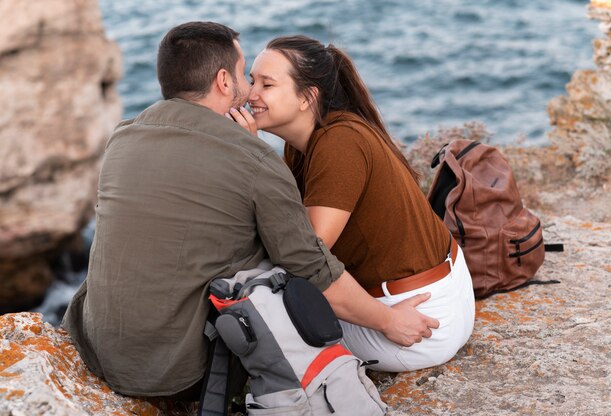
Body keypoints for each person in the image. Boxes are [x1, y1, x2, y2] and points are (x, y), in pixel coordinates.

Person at [61, 22, 437, 401]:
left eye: (264, 82)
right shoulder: (253, 159)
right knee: (272, 265)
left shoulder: (121, 139)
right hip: (178, 375)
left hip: (97, 349)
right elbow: (310, 265)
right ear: (224, 81)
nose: (251, 90)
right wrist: (389, 320)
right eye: (245, 75)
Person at [228, 35, 475, 372]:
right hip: (439, 294)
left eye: (266, 85)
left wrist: (249, 154)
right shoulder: (308, 144)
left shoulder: (339, 144)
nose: (250, 94)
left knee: (251, 315)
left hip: (417, 320)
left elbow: (307, 256)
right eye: (252, 80)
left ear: (307, 97)